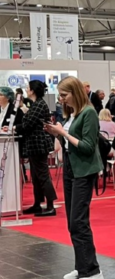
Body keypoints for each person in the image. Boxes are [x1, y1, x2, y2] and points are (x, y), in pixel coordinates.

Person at [44, 76, 104, 279]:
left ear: (75, 92)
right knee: (72, 221)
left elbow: (87, 146)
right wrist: (58, 134)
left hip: (84, 171)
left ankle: (92, 270)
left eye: (64, 95)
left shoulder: (88, 113)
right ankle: (82, 266)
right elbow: (71, 144)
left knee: (78, 221)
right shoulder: (74, 113)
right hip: (72, 168)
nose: (61, 99)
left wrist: (63, 133)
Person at [15, 80, 57, 217]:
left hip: (38, 144)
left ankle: (50, 205)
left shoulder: (39, 105)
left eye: (28, 88)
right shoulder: (36, 104)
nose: (26, 90)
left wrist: (16, 127)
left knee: (43, 175)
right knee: (36, 176)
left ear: (32, 90)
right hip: (35, 144)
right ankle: (38, 203)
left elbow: (27, 124)